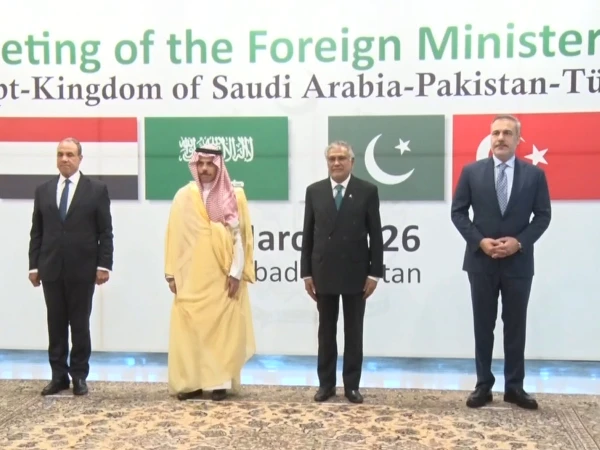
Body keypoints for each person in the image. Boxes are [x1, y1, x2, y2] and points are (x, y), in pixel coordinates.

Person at [451, 114, 551, 410]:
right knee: (483, 325)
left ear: (518, 139)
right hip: (480, 261)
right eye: (496, 133)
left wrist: (519, 242)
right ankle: (483, 385)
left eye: (507, 133)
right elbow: (458, 212)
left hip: (518, 263)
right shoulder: (471, 172)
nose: (500, 138)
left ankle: (514, 387)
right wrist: (480, 241)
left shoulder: (534, 176)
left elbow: (543, 216)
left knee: (515, 326)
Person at [164, 143, 256, 402]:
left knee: (221, 330)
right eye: (200, 164)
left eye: (209, 164)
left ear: (218, 166)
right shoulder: (183, 196)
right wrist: (171, 273)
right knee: (190, 328)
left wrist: (236, 273)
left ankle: (219, 382)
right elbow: (174, 236)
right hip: (190, 275)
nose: (204, 169)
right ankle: (191, 383)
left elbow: (240, 238)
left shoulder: (234, 195)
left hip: (222, 274)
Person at [28, 137, 114, 396]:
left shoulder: (96, 190)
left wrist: (104, 265)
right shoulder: (43, 190)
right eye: (60, 154)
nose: (64, 159)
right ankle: (58, 376)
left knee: (79, 325)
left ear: (80, 158)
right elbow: (37, 231)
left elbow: (105, 231)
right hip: (51, 268)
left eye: (69, 154)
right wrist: (34, 266)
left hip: (83, 269)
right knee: (55, 325)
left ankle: (79, 375)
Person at [300, 140, 384, 404]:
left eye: (341, 158)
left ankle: (352, 386)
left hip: (356, 273)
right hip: (323, 272)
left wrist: (374, 274)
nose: (336, 163)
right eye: (332, 159)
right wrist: (306, 273)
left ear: (352, 162)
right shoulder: (314, 191)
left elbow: (376, 235)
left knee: (353, 332)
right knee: (326, 332)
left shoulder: (367, 191)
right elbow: (307, 234)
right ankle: (326, 385)